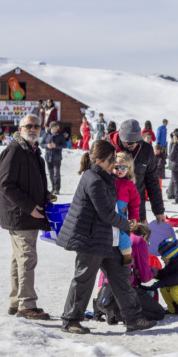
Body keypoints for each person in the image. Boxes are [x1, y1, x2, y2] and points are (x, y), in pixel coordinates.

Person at [58, 140, 156, 334]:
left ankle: (134, 318)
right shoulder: (93, 179)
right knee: (84, 280)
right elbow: (105, 213)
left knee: (122, 277)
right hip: (90, 239)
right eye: (110, 160)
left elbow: (119, 204)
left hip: (109, 238)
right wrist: (128, 225)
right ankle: (71, 320)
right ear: (98, 160)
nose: (114, 163)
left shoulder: (104, 177)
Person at [0, 114, 53, 320]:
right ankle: (26, 304)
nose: (33, 129)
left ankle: (16, 302)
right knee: (27, 258)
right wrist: (30, 207)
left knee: (19, 259)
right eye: (28, 126)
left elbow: (29, 182)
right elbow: (6, 185)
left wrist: (45, 195)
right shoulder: (14, 150)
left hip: (26, 214)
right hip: (20, 214)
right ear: (19, 129)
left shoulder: (32, 151)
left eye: (36, 126)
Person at [108, 119, 165, 223]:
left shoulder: (146, 150)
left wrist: (158, 210)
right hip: (112, 205)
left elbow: (152, 181)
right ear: (122, 138)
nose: (133, 145)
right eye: (129, 142)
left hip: (137, 207)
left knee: (139, 238)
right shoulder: (108, 147)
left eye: (136, 141)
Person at [113, 152, 140, 267]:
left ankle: (127, 255)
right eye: (116, 167)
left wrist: (134, 217)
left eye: (123, 167)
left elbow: (135, 202)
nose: (120, 170)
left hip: (121, 212)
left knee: (123, 232)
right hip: (109, 209)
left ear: (128, 169)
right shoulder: (109, 179)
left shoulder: (129, 184)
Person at [40, 121, 66, 194]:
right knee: (51, 173)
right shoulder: (46, 134)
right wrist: (47, 146)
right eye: (56, 126)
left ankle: (57, 189)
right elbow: (41, 144)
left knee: (56, 173)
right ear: (51, 127)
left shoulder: (60, 135)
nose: (57, 128)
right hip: (48, 157)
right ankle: (53, 187)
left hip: (57, 157)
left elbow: (64, 145)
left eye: (57, 126)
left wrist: (56, 146)